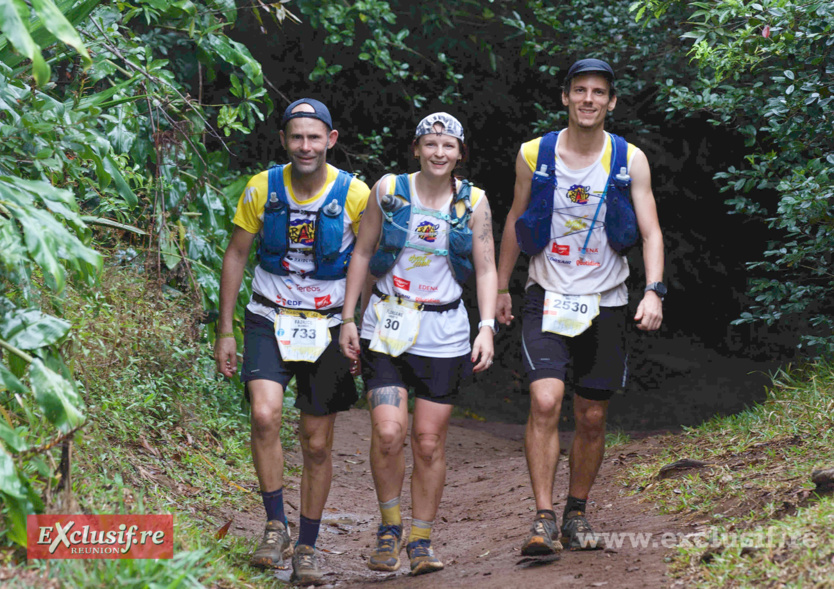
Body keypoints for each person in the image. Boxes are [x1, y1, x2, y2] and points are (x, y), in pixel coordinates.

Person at [496, 59, 665, 554]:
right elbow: (515, 218)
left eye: (599, 92)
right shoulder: (535, 153)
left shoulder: (629, 158)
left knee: (591, 415)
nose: (588, 99)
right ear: (565, 97)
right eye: (580, 91)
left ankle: (576, 512)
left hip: (606, 300)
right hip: (545, 294)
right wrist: (502, 286)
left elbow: (652, 230)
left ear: (611, 102)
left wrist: (654, 289)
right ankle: (543, 518)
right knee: (545, 400)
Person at [214, 98, 370, 585]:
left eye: (314, 137)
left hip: (326, 325)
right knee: (264, 415)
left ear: (331, 140)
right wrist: (225, 328)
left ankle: (307, 545)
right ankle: (274, 524)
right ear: (284, 140)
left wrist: (356, 323)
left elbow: (366, 262)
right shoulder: (262, 188)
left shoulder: (356, 195)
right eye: (296, 137)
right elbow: (237, 254)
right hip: (268, 316)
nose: (306, 146)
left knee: (317, 443)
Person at [339, 113, 497, 576]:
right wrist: (348, 317)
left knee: (427, 443)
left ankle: (421, 540)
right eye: (431, 143)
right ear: (416, 148)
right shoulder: (389, 191)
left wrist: (486, 325)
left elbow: (486, 268)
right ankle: (389, 529)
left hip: (443, 330)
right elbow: (363, 252)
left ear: (460, 153)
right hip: (386, 325)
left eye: (448, 145)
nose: (439, 153)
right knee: (389, 433)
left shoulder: (474, 202)